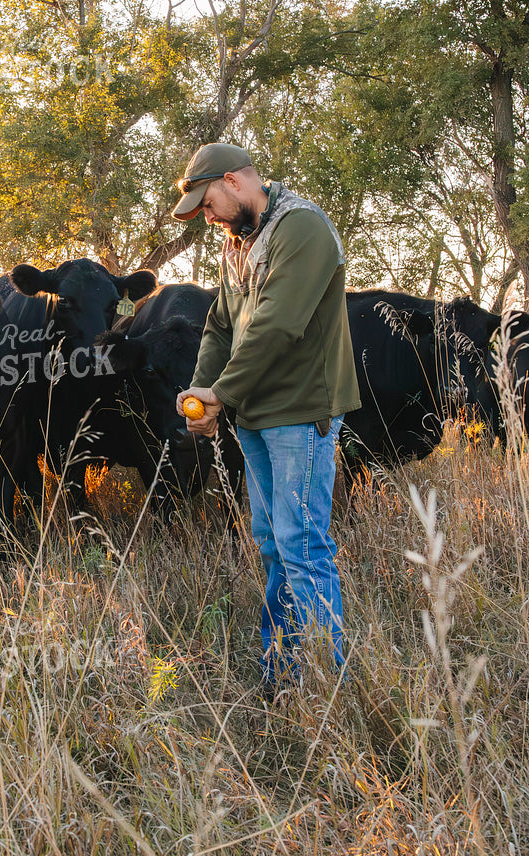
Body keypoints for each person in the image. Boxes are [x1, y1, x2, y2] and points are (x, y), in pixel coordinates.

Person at [172, 143, 359, 690]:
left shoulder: (302, 229)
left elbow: (278, 325)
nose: (207, 218)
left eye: (208, 204)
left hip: (300, 414)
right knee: (274, 545)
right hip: (254, 415)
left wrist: (221, 395)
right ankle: (282, 669)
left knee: (302, 545)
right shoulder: (238, 243)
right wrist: (202, 392)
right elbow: (220, 326)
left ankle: (327, 684)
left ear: (233, 181)